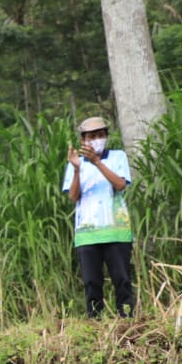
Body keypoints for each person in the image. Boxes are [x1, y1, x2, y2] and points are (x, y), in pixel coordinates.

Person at [63, 116, 135, 318]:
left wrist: (97, 162)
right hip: (88, 233)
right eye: (92, 136)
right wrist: (77, 169)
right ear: (83, 140)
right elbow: (73, 196)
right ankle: (95, 321)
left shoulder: (117, 157)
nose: (97, 139)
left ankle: (127, 318)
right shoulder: (76, 163)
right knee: (92, 282)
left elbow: (120, 185)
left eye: (101, 135)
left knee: (122, 278)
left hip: (117, 231)